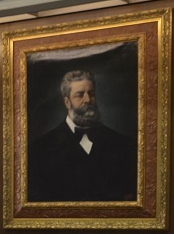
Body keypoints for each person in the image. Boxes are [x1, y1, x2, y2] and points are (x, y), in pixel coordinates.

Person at [27, 69, 137, 203]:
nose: (88, 100)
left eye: (91, 94)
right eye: (80, 95)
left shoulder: (123, 144)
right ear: (67, 102)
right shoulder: (40, 149)